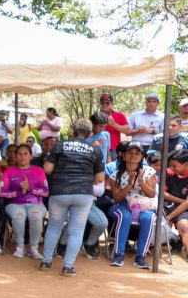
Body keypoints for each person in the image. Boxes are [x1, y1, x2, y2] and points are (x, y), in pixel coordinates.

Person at [39, 117, 106, 276]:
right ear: (90, 133)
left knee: (54, 227)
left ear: (73, 131)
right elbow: (100, 178)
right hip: (83, 194)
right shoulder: (94, 150)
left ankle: (46, 261)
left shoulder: (60, 145)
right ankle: (68, 267)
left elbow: (47, 168)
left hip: (60, 191)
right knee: (77, 231)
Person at [106, 141, 157, 269]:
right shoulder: (115, 175)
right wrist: (129, 185)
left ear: (141, 157)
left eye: (137, 153)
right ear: (124, 155)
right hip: (123, 204)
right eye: (130, 153)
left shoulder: (149, 172)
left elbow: (152, 194)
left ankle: (141, 256)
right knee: (125, 216)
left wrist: (141, 182)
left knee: (148, 218)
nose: (133, 156)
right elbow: (117, 198)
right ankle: (118, 254)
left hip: (144, 204)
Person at [0, 145, 48, 259]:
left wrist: (30, 188)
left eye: (26, 154)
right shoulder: (9, 171)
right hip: (14, 204)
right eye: (19, 154)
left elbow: (46, 192)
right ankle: (20, 246)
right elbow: (1, 192)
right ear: (15, 157)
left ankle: (33, 248)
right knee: (19, 216)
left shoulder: (38, 171)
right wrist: (19, 192)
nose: (22, 156)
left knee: (35, 216)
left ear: (31, 156)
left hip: (36, 204)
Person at [164, 150, 188, 260]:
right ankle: (173, 239)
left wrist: (171, 216)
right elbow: (163, 194)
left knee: (185, 227)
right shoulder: (169, 173)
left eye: (175, 166)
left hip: (182, 210)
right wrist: (182, 201)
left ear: (186, 164)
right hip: (166, 206)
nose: (171, 168)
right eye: (171, 165)